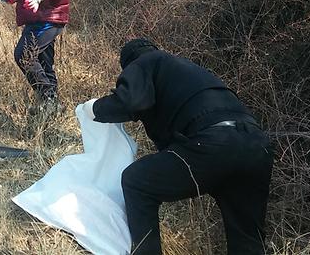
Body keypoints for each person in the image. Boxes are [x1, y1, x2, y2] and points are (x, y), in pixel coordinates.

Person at [86, 38, 274, 255]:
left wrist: (94, 109)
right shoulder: (185, 69)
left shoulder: (146, 62)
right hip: (257, 145)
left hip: (214, 143)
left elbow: (132, 102)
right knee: (248, 240)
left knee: (136, 181)